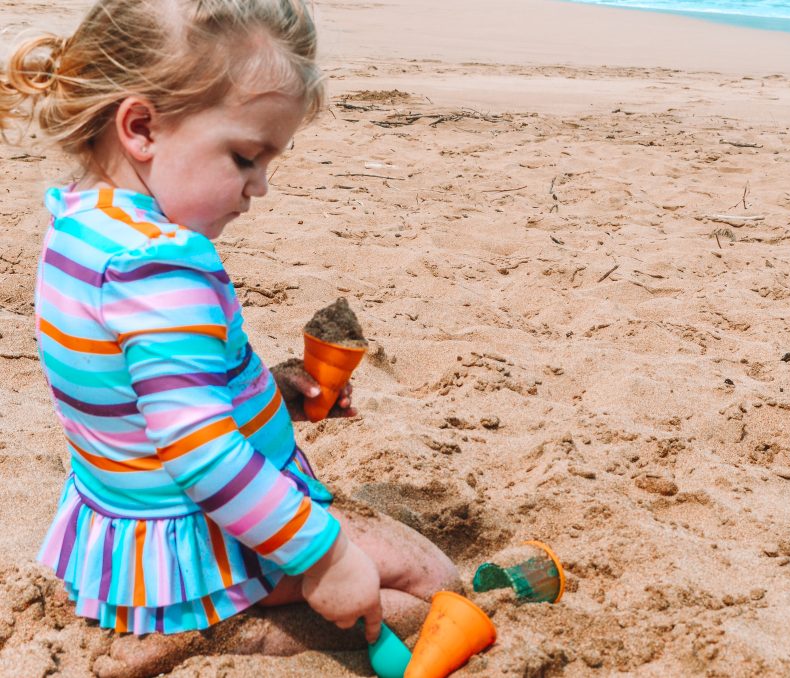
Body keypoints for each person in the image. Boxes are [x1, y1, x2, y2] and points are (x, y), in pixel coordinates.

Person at [0, 1, 459, 675]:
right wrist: (324, 556)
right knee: (430, 585)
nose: (260, 187)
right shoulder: (162, 263)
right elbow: (201, 451)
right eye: (246, 157)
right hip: (201, 538)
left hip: (128, 525)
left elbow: (141, 389)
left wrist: (270, 394)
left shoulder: (79, 224)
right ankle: (232, 635)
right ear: (142, 126)